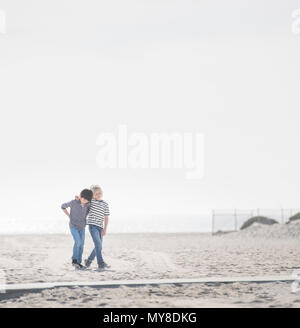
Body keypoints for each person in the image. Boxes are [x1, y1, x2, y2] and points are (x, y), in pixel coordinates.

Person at [61, 189, 93, 269]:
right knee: (78, 242)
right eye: (83, 198)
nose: (84, 201)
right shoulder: (74, 202)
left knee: (81, 245)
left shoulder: (88, 204)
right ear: (81, 196)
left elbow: (91, 208)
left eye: (86, 200)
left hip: (82, 227)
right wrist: (69, 216)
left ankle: (78, 262)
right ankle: (74, 260)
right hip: (73, 226)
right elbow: (63, 206)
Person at [84, 185, 110, 270]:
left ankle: (88, 261)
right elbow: (83, 201)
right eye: (96, 193)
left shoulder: (105, 204)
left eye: (100, 193)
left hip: (100, 227)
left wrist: (105, 229)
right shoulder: (91, 202)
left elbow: (106, 217)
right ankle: (100, 263)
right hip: (92, 226)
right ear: (93, 195)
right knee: (98, 244)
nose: (99, 194)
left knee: (98, 246)